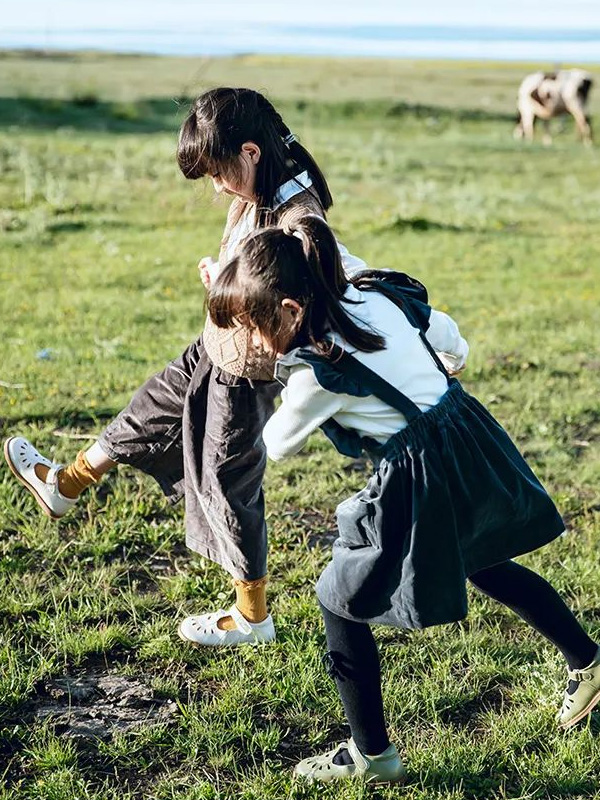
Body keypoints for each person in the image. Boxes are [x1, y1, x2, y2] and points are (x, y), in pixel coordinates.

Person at [206, 214, 600, 784]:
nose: (249, 340)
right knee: (480, 560)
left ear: (291, 311)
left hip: (417, 470)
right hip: (461, 429)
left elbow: (280, 443)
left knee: (340, 597)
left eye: (251, 325)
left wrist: (280, 371)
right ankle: (589, 660)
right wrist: (439, 365)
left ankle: (372, 756)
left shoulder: (318, 372)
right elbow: (447, 334)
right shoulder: (374, 296)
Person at [3, 87, 366, 647]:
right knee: (146, 411)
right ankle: (64, 486)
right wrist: (225, 275)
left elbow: (308, 297)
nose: (216, 186)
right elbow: (259, 275)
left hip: (247, 371)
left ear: (249, 152)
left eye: (219, 172)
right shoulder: (263, 184)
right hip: (215, 344)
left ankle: (253, 617)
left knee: (227, 481)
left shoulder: (298, 215)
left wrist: (241, 294)